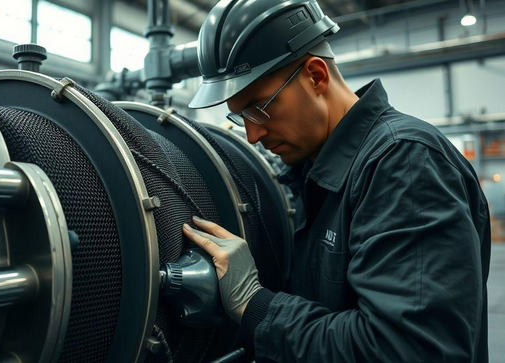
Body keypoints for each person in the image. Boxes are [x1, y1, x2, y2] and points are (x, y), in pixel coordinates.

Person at [183, 0, 491, 361]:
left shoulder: (402, 162)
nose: (252, 135)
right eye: (240, 117)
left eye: (259, 107)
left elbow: (409, 349)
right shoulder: (313, 174)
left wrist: (255, 305)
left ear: (316, 75)